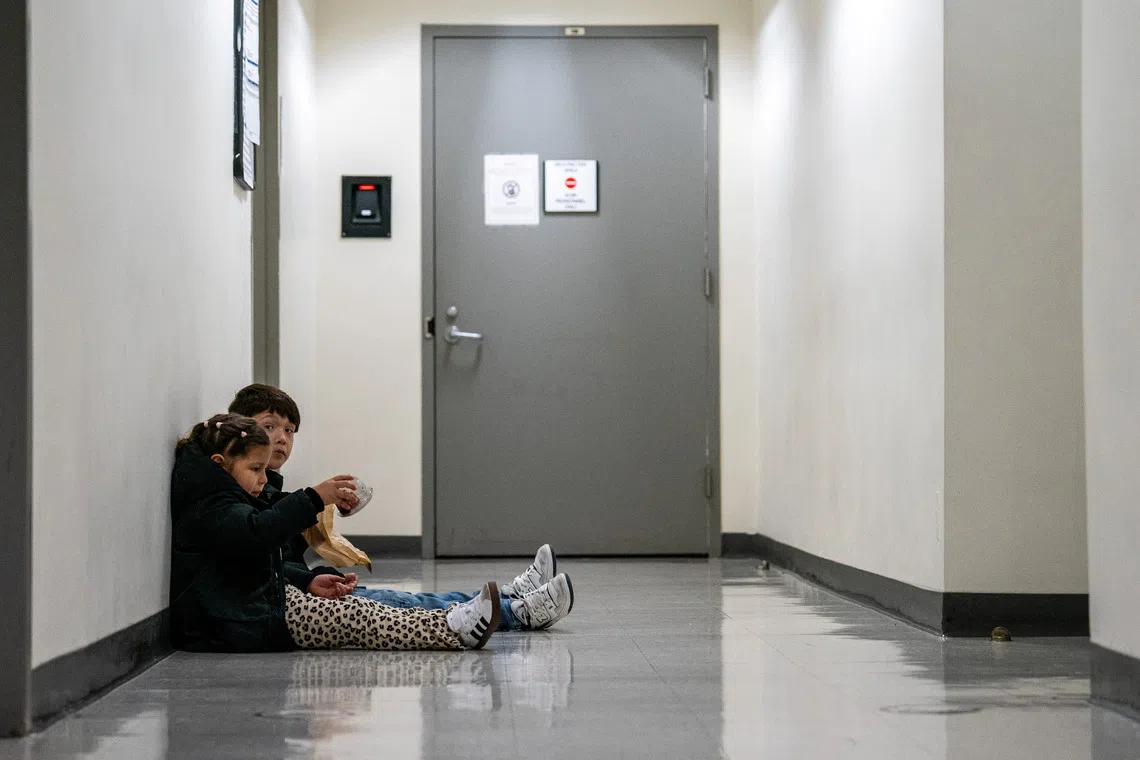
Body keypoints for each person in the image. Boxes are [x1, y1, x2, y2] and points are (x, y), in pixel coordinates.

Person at [228, 384, 575, 631]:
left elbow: (280, 551)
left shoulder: (266, 484)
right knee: (400, 604)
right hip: (289, 598)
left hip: (296, 586)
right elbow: (263, 556)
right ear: (241, 432)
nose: (282, 438)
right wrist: (311, 569)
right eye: (269, 427)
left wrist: (316, 520)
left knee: (408, 600)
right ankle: (517, 612)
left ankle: (511, 597)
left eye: (289, 430)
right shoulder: (242, 490)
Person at [170, 413, 500, 652]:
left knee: (373, 605)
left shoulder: (221, 493)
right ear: (220, 463)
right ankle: (452, 628)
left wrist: (305, 580)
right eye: (256, 469)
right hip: (234, 623)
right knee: (358, 615)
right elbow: (256, 535)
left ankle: (475, 613)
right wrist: (314, 497)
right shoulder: (211, 504)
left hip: (252, 605)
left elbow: (253, 556)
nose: (263, 478)